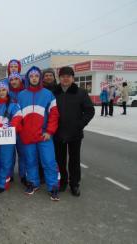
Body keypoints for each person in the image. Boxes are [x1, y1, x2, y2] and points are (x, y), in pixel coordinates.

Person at [17, 66, 60, 201]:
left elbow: (54, 114)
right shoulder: (21, 95)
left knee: (49, 161)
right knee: (30, 161)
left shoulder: (48, 94)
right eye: (31, 76)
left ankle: (53, 186)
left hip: (44, 135)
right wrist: (21, 131)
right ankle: (33, 183)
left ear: (39, 78)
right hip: (28, 135)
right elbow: (17, 116)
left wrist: (49, 131)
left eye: (36, 76)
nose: (34, 78)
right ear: (28, 79)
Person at [53, 66, 95, 197]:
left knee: (74, 160)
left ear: (72, 78)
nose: (65, 78)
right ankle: (63, 181)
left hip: (75, 133)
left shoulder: (80, 92)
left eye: (68, 76)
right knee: (60, 159)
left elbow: (90, 110)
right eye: (63, 76)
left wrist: (80, 124)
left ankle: (74, 184)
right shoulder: (54, 92)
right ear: (59, 78)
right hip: (58, 133)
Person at [0, 81, 22, 193]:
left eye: (3, 90)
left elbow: (18, 117)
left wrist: (10, 125)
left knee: (6, 160)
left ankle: (2, 183)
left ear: (7, 91)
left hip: (7, 137)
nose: (1, 92)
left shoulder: (13, 104)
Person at [8, 72, 26, 184]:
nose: (14, 81)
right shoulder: (6, 92)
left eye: (16, 79)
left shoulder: (25, 93)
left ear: (20, 80)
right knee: (9, 154)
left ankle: (23, 174)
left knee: (23, 153)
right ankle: (9, 174)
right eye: (11, 79)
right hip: (8, 129)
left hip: (22, 129)